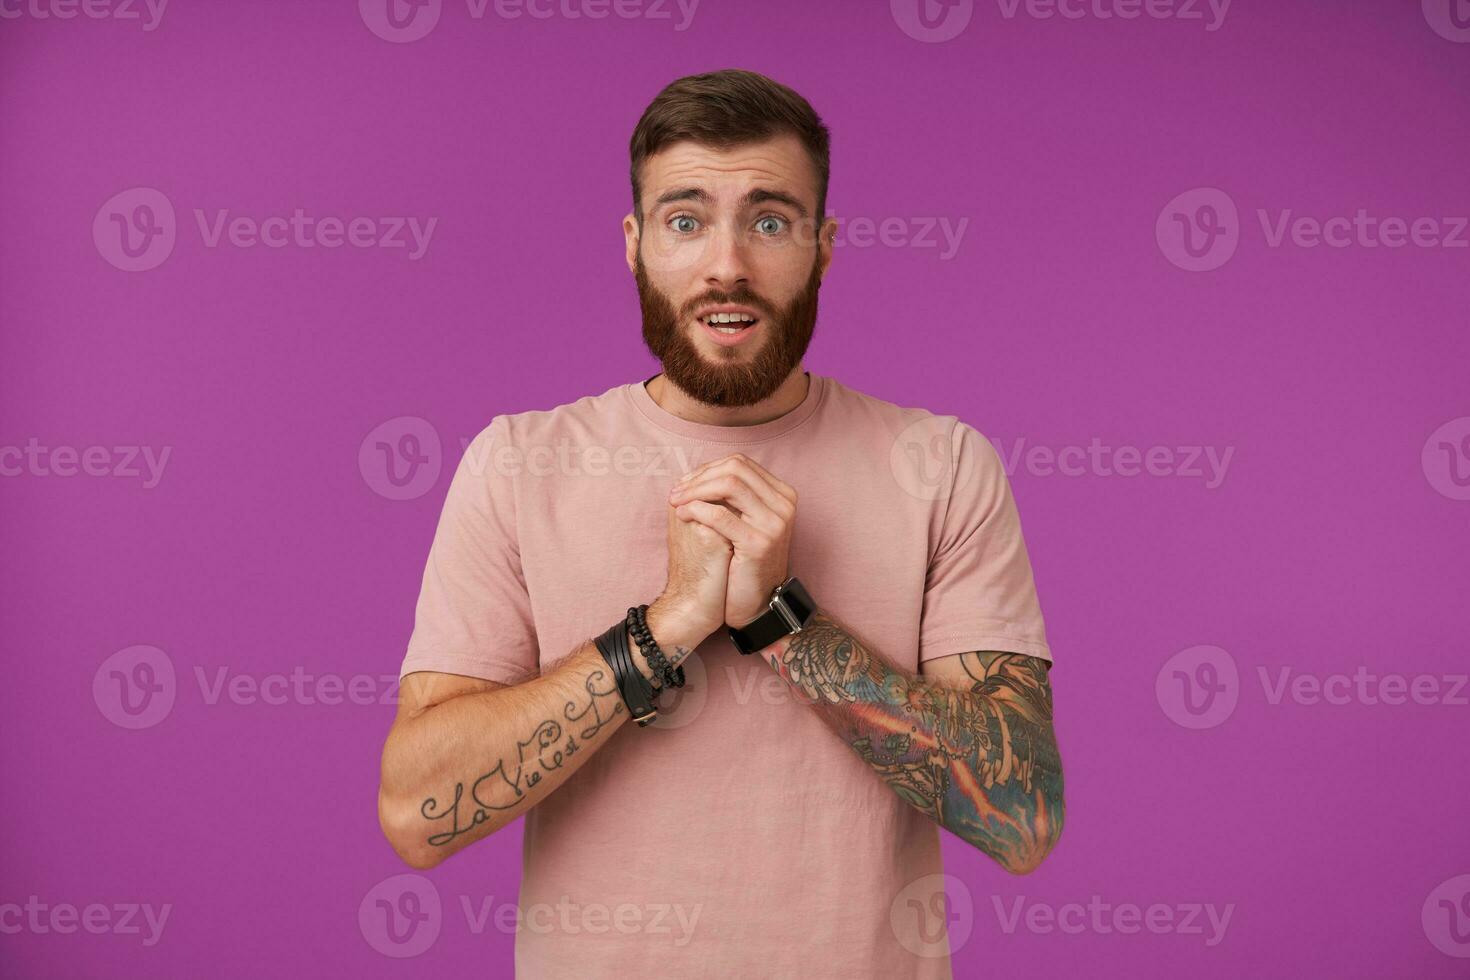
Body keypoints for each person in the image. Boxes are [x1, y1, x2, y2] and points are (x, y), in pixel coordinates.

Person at [377, 67, 1064, 979]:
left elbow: (1020, 821)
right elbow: (420, 816)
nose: (727, 264)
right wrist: (666, 627)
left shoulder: (939, 466)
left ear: (823, 247)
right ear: (635, 244)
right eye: (686, 219)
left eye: (770, 220)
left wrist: (785, 622)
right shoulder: (516, 465)